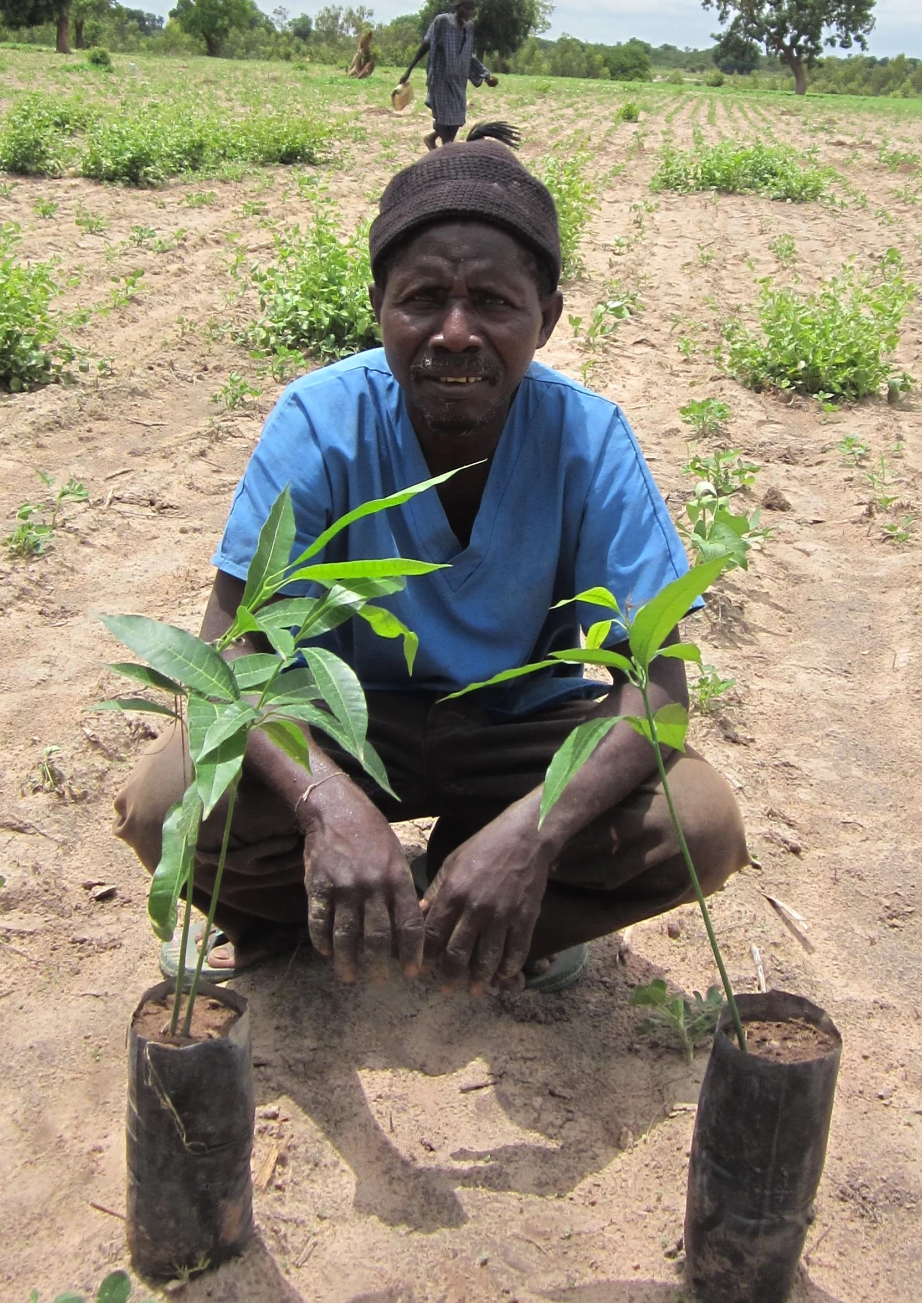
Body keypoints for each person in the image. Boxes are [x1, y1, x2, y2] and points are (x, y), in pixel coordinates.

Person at [115, 137, 747, 995]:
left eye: (493, 300)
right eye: (423, 299)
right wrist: (327, 808)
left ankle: (483, 909)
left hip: (516, 732)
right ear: (378, 304)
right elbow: (228, 664)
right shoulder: (319, 422)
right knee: (169, 803)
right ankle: (297, 917)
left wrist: (534, 835)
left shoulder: (587, 440)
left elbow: (659, 691)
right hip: (342, 724)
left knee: (698, 825)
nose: (456, 333)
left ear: (548, 317)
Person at [397, 0, 498, 148]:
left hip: (459, 79)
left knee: (457, 119)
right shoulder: (442, 21)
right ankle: (447, 152)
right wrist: (408, 70)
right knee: (445, 121)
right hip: (441, 78)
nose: (469, 12)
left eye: (472, 9)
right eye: (466, 8)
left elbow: (467, 56)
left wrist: (486, 75)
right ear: (457, 7)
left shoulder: (469, 27)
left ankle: (432, 139)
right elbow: (426, 45)